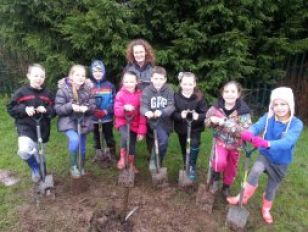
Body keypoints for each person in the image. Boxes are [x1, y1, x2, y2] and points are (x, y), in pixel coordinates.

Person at [227, 87, 303, 224]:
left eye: (283, 104)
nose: (279, 108)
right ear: (272, 105)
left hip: (281, 162)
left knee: (271, 190)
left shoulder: (296, 124)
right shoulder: (268, 117)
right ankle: (242, 197)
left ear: (290, 104)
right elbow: (256, 126)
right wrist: (248, 133)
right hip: (265, 156)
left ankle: (266, 208)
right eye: (276, 104)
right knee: (255, 171)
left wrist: (265, 143)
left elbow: (287, 142)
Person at [7, 64, 55, 182]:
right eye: (36, 75)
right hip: (26, 128)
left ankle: (43, 175)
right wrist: (24, 109)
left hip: (43, 129)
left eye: (42, 76)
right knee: (24, 150)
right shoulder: (21, 92)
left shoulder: (48, 94)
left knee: (41, 154)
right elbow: (11, 108)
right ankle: (34, 167)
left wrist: (47, 110)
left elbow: (55, 109)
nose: (39, 78)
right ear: (29, 76)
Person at [205, 81, 252, 197]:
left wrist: (226, 123)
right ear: (222, 93)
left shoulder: (243, 112)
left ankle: (226, 186)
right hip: (220, 142)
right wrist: (212, 121)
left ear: (238, 94)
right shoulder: (216, 108)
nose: (229, 94)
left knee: (231, 168)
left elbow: (246, 132)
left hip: (235, 146)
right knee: (219, 162)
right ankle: (215, 179)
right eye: (226, 91)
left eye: (233, 91)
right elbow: (206, 121)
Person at [55, 64, 95, 178]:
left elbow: (93, 106)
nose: (80, 77)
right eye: (77, 74)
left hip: (83, 121)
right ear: (71, 76)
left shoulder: (88, 90)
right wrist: (70, 106)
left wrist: (86, 108)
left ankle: (81, 166)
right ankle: (73, 166)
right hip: (68, 122)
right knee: (74, 140)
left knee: (82, 146)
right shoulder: (63, 90)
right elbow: (58, 109)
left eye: (83, 75)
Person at [173, 72, 207, 181]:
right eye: (185, 84)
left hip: (195, 128)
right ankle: (186, 163)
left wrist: (198, 116)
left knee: (194, 144)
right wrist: (180, 115)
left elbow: (206, 113)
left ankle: (192, 165)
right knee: (185, 148)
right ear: (181, 84)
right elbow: (172, 113)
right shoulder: (176, 97)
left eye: (190, 84)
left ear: (194, 84)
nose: (187, 87)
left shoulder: (199, 97)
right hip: (182, 128)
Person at [140, 66, 175, 171]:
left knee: (163, 143)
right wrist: (147, 112)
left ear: (165, 79)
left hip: (166, 122)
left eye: (161, 79)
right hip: (155, 122)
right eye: (155, 78)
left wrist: (162, 111)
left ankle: (158, 159)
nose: (158, 81)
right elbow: (143, 106)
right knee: (163, 141)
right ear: (151, 79)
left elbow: (171, 105)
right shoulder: (147, 91)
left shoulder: (169, 90)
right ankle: (155, 160)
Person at [125, 39, 155, 154]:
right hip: (134, 104)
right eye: (136, 52)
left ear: (146, 52)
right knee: (131, 131)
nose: (139, 54)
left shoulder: (152, 68)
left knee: (151, 130)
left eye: (141, 52)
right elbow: (124, 86)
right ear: (132, 54)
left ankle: (152, 155)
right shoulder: (129, 69)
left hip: (148, 104)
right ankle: (130, 157)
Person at [114, 71, 147, 173]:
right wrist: (124, 108)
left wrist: (141, 130)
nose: (128, 84)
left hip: (135, 123)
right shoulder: (120, 94)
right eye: (126, 81)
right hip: (123, 121)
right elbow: (117, 111)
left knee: (132, 143)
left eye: (131, 81)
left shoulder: (141, 95)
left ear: (137, 82)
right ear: (123, 82)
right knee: (126, 137)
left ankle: (131, 163)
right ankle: (123, 158)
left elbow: (142, 114)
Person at [90, 60, 116, 161]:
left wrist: (106, 111)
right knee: (96, 136)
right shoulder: (89, 86)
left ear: (104, 72)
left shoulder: (110, 86)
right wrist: (93, 110)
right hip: (94, 117)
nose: (97, 73)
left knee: (109, 135)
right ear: (92, 72)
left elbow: (114, 101)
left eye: (100, 71)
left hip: (107, 117)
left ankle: (111, 153)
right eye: (95, 71)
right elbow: (87, 100)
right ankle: (98, 153)